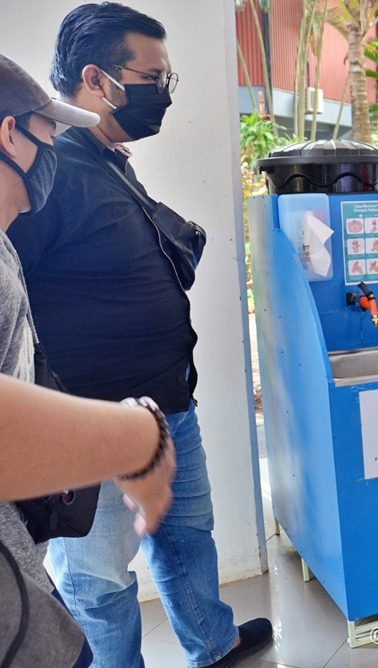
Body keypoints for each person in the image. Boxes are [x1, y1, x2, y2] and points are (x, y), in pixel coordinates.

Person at [7, 4, 271, 667]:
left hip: (167, 406)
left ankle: (212, 644)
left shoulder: (104, 157)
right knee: (99, 581)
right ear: (96, 78)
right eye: (154, 76)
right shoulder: (51, 169)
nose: (165, 92)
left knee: (187, 537)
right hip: (94, 428)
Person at [0, 51, 176, 667]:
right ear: (9, 135)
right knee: (100, 585)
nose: (54, 151)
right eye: (48, 134)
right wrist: (136, 436)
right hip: (14, 624)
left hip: (19, 582)